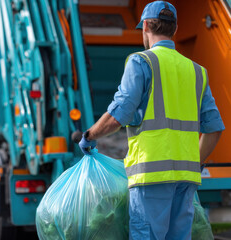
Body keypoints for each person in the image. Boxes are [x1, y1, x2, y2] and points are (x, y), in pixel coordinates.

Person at [79, 1, 224, 239]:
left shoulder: (141, 62)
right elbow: (215, 129)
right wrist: (195, 163)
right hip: (186, 178)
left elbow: (119, 116)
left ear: (145, 25)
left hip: (151, 176)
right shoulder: (197, 71)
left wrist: (89, 136)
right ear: (175, 29)